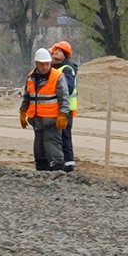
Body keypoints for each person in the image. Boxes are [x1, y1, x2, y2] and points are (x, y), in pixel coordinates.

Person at [20, 47, 70, 171]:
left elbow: (64, 98)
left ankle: (58, 171)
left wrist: (63, 114)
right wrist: (23, 111)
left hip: (52, 121)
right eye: (42, 65)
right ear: (36, 64)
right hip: (37, 120)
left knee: (53, 146)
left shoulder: (58, 77)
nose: (45, 67)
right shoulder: (31, 77)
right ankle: (41, 172)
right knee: (39, 149)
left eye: (47, 64)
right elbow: (27, 96)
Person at [50, 41, 78, 172]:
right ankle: (61, 161)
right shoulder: (54, 68)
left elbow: (69, 87)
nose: (56, 53)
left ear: (65, 55)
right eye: (55, 50)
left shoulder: (67, 69)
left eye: (59, 51)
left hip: (66, 109)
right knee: (57, 135)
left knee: (64, 135)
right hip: (56, 108)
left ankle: (69, 163)